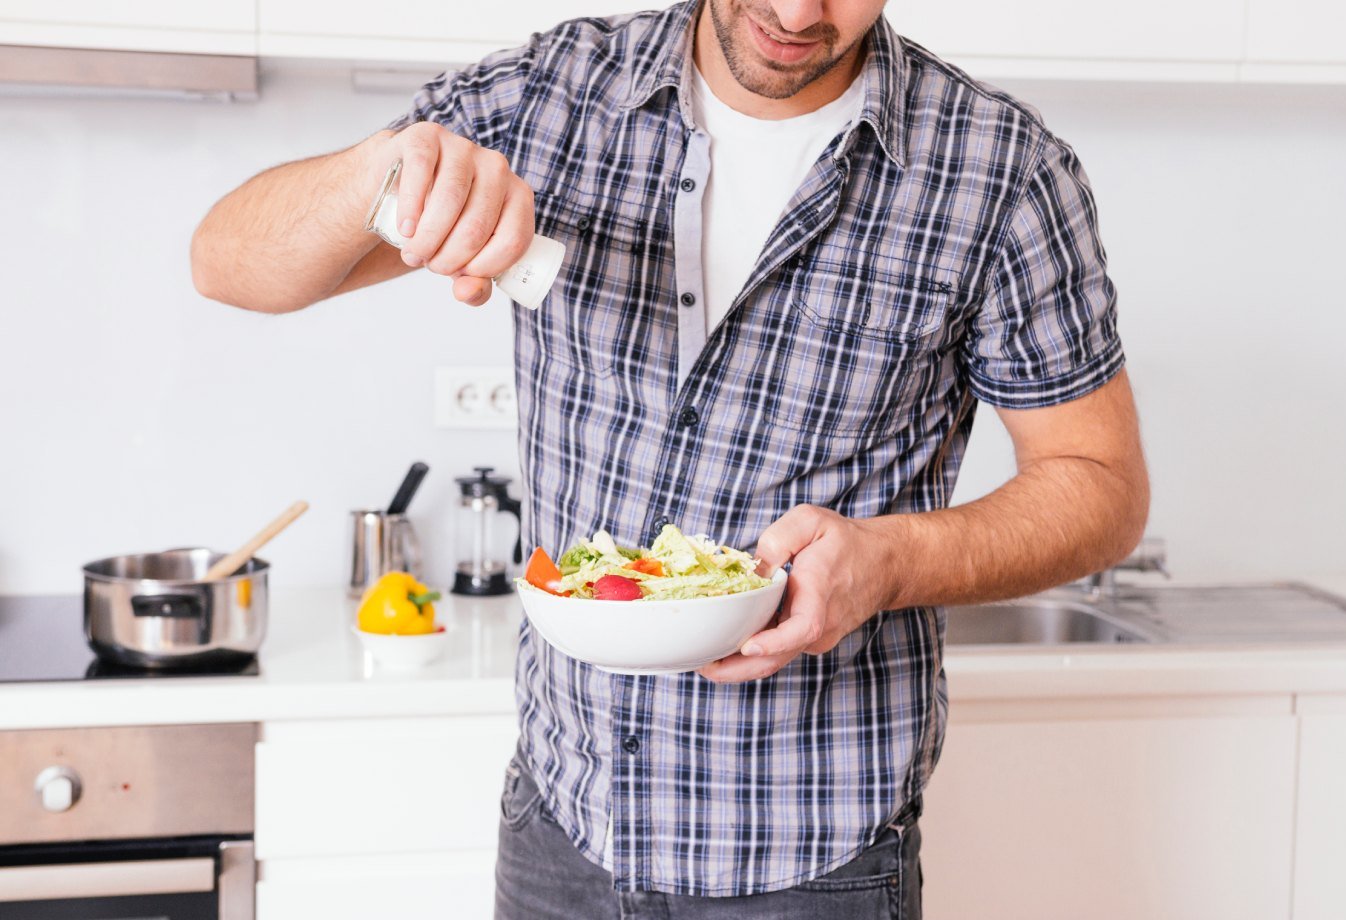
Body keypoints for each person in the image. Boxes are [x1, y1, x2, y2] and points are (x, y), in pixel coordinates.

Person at [192, 0, 1149, 916]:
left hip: (816, 857)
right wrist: (380, 171)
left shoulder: (1002, 172)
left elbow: (1101, 489)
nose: (797, 12)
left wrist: (890, 562)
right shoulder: (552, 95)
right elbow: (224, 260)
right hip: (564, 827)